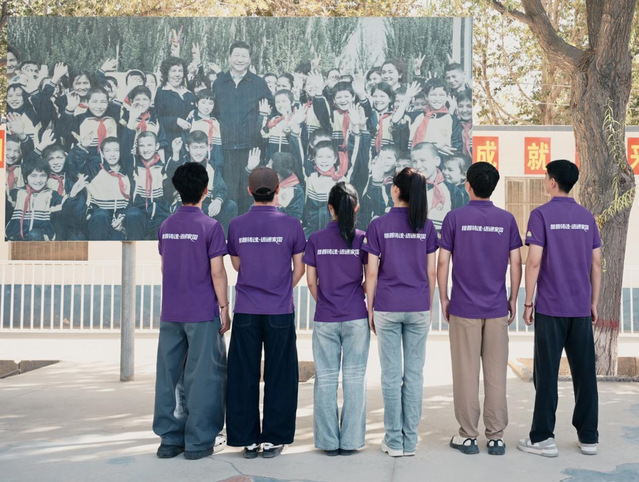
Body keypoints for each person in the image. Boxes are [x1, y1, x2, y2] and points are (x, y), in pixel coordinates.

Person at [437, 162, 522, 456]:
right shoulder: (506, 219)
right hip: (497, 308)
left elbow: (443, 261)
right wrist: (513, 298)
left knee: (466, 373)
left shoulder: (454, 218)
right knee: (496, 374)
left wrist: (443, 297)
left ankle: (468, 435)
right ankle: (496, 437)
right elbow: (516, 261)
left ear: (468, 185)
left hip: (463, 308)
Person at [517, 159, 602, 457]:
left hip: (551, 308)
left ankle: (543, 438)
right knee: (585, 374)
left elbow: (534, 261)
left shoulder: (541, 215)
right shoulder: (586, 217)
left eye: (545, 177)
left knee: (547, 374)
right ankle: (589, 438)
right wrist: (593, 302)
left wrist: (528, 301)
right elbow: (596, 263)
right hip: (580, 308)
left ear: (552, 182)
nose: (545, 181)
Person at [226, 167, 306, 459]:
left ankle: (247, 439)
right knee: (280, 374)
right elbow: (300, 268)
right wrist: (282, 287)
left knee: (243, 375)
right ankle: (273, 439)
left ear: (249, 191)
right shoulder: (292, 225)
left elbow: (237, 265)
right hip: (279, 310)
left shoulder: (236, 224)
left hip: (246, 309)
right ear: (278, 190)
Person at [153, 161, 231, 460]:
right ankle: (199, 442)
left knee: (169, 375)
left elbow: (165, 267)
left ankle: (170, 440)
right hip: (201, 312)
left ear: (178, 190)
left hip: (171, 311)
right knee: (204, 377)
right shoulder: (210, 226)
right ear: (206, 190)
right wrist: (224, 307)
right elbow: (217, 273)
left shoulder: (166, 226)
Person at [363, 167, 438, 457]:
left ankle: (394, 441)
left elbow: (371, 273)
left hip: (387, 306)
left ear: (395, 190)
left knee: (391, 376)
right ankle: (410, 441)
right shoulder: (427, 226)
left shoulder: (378, 224)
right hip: (418, 306)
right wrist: (428, 305)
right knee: (415, 375)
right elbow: (431, 271)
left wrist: (370, 308)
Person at [304, 182, 369, 456]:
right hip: (356, 316)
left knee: (326, 379)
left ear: (330, 207)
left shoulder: (316, 239)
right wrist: (358, 293)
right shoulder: (363, 239)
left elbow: (311, 281)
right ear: (356, 207)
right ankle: (351, 441)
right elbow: (371, 277)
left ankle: (329, 442)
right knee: (355, 379)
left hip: (325, 318)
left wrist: (325, 300)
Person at [212, 41, 273, 213]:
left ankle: (249, 225)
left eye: (244, 56)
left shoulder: (258, 83)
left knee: (250, 190)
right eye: (236, 55)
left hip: (251, 147)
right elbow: (214, 112)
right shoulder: (219, 83)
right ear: (229, 57)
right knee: (229, 192)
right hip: (227, 146)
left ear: (249, 59)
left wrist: (263, 116)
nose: (240, 59)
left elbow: (270, 107)